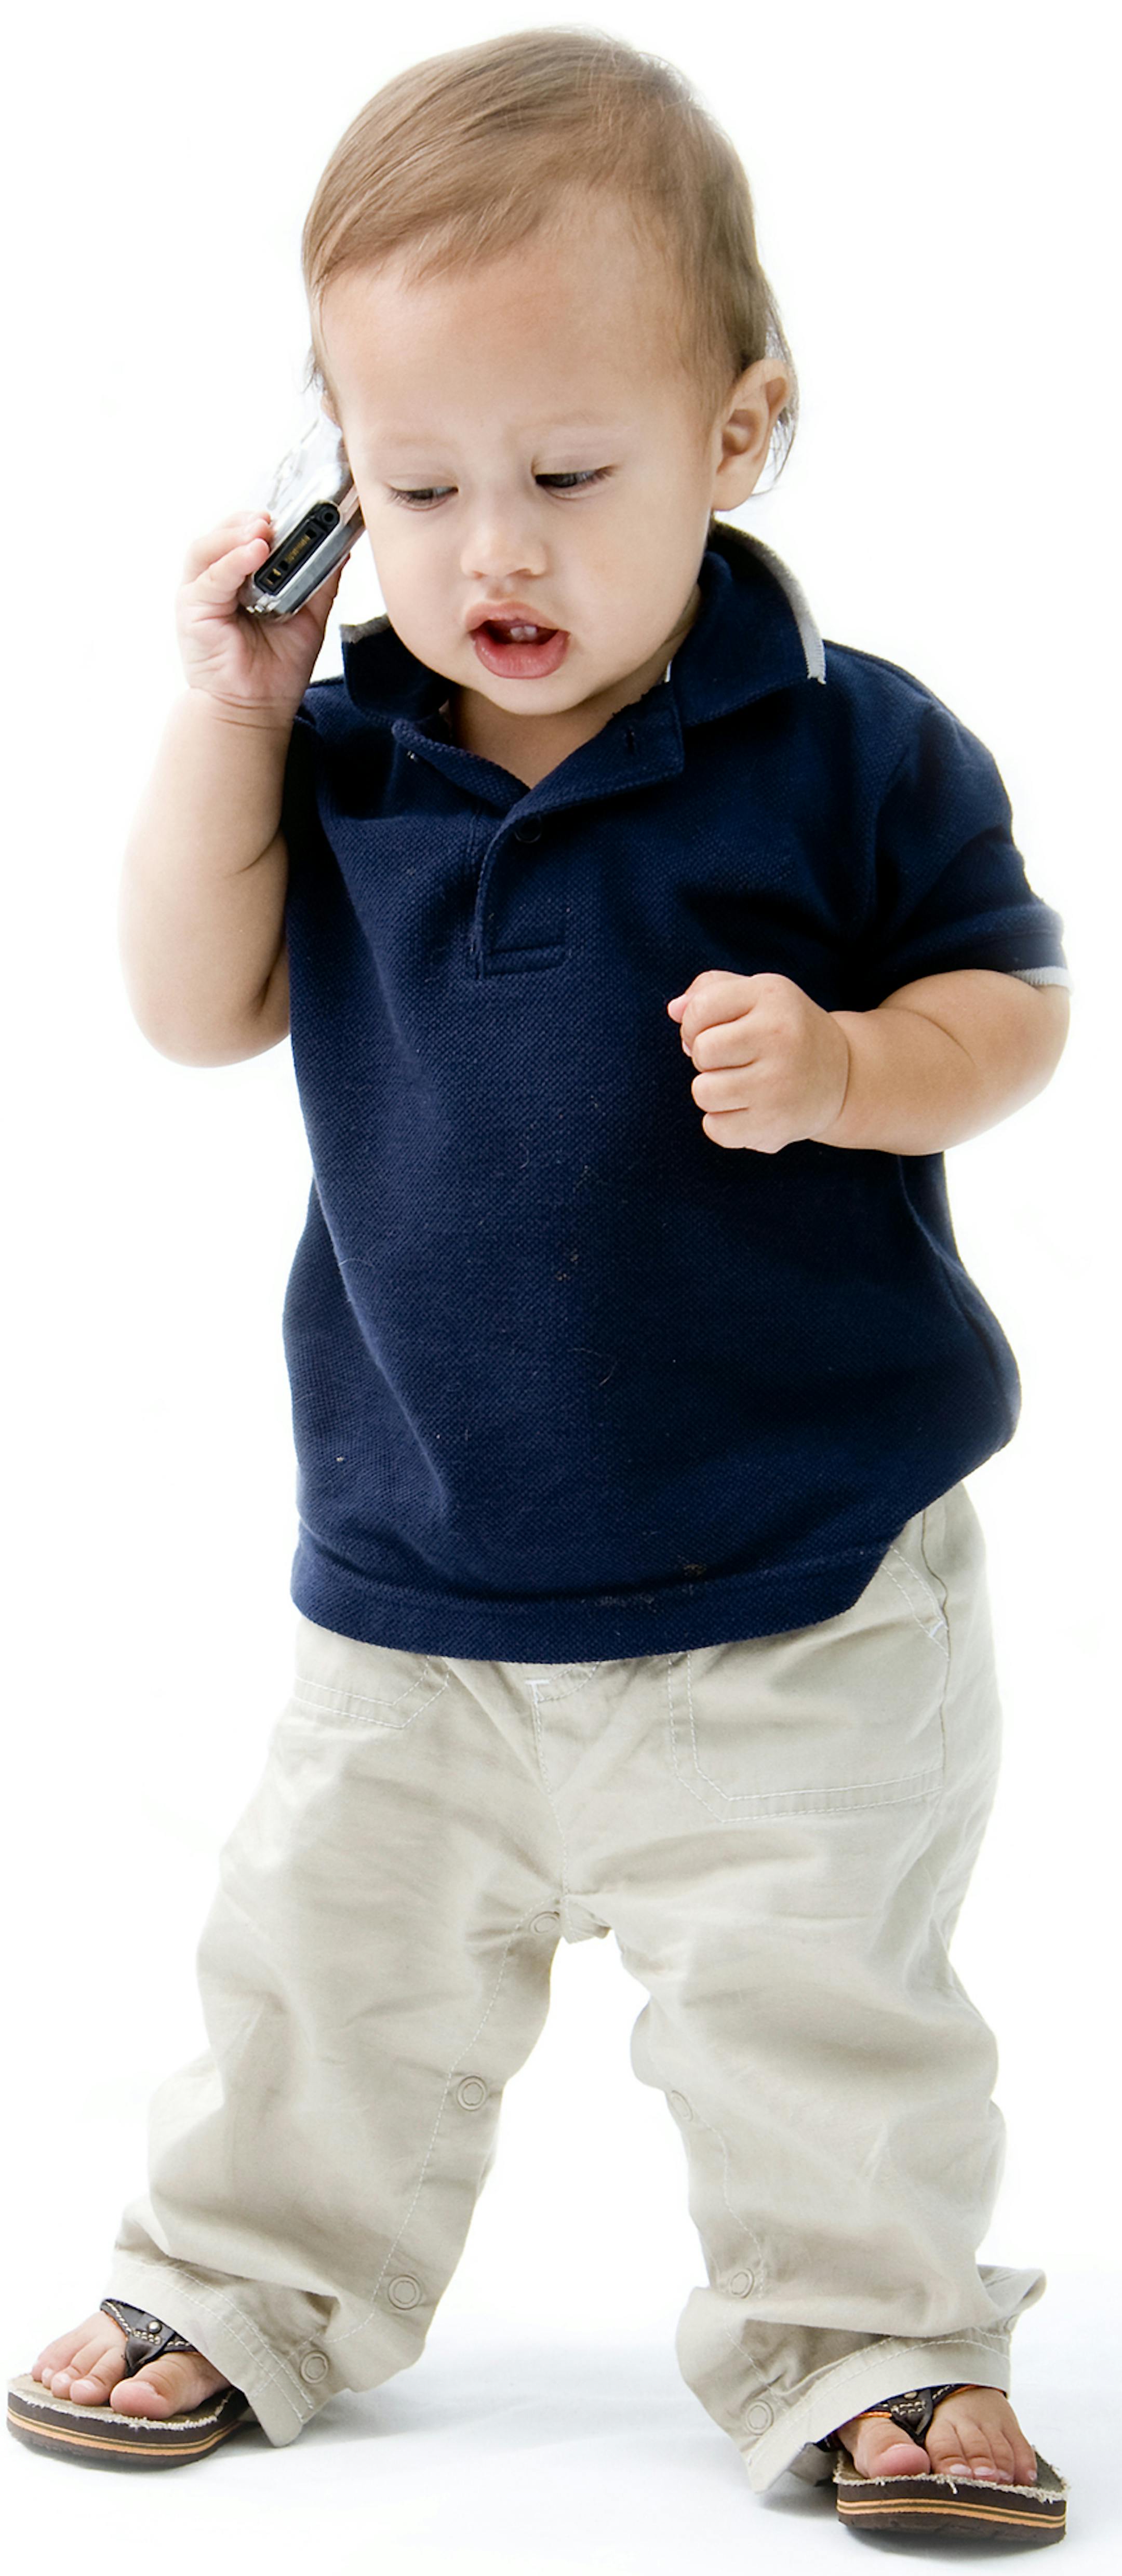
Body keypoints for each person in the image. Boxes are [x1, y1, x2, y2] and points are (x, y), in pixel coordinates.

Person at [10, 27, 1072, 2541]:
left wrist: (844, 1065)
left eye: (572, 477)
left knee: (820, 2014)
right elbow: (190, 1006)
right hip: (421, 1580)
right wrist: (229, 720)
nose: (493, 549)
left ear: (738, 433)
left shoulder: (845, 747)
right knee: (320, 1981)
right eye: (410, 485)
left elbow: (1012, 1018)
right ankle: (246, 2276)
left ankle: (874, 2340)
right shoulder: (346, 749)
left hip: (798, 1585)